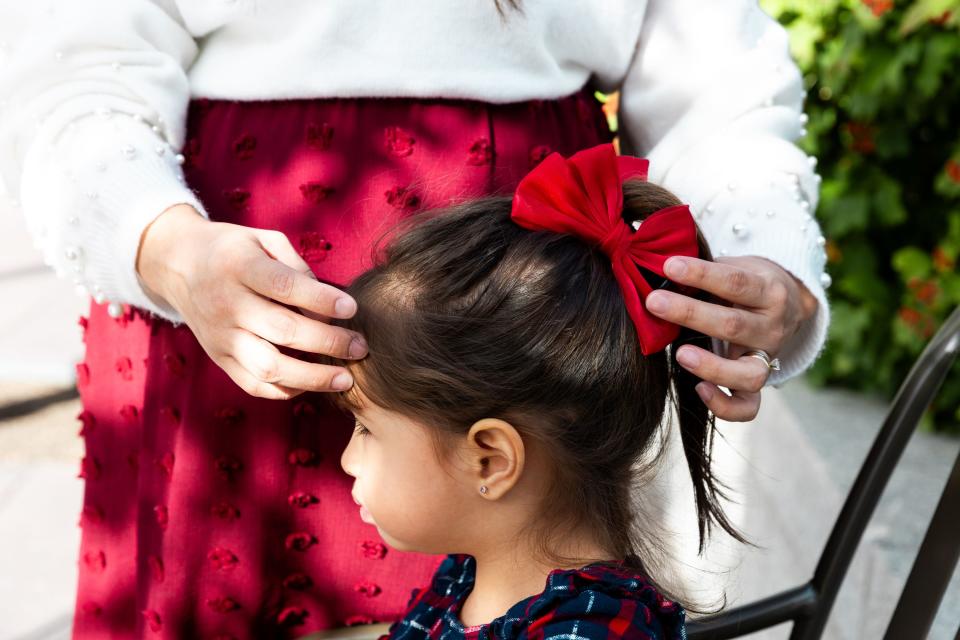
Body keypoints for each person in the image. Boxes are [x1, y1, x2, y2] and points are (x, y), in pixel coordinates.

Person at [0, 1, 830, 637]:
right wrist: (157, 242)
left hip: (521, 335)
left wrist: (762, 257)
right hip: (215, 349)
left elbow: (718, 80)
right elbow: (77, 61)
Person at [329, 143, 740, 640]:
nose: (348, 458)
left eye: (366, 427)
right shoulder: (465, 578)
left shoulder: (595, 632)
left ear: (490, 459)